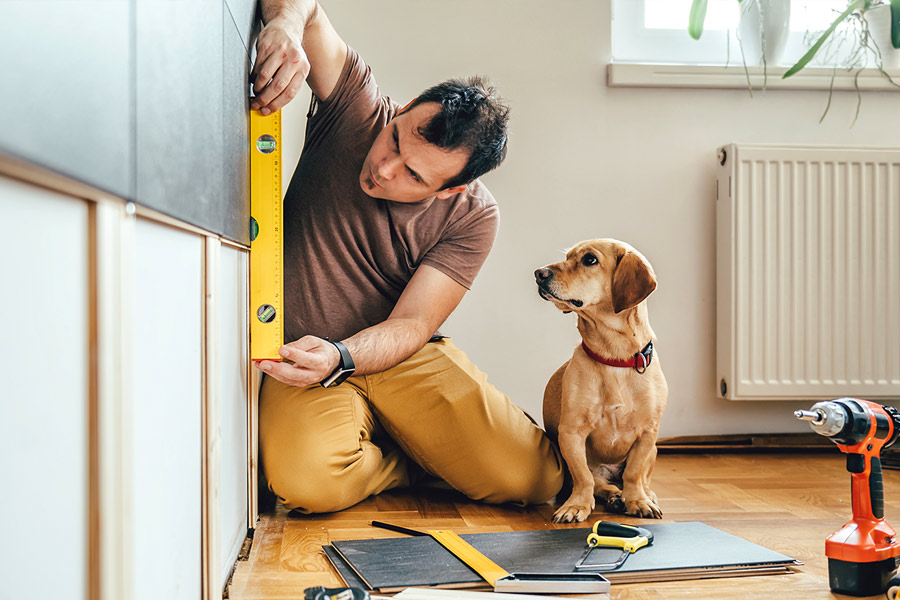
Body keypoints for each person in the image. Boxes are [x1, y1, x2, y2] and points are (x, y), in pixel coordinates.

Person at [250, 0, 563, 514]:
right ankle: (414, 459)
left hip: (398, 354)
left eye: (415, 176)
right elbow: (305, 7)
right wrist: (284, 22)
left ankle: (420, 448)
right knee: (307, 485)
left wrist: (345, 354)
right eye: (396, 139)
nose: (385, 168)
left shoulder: (474, 216)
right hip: (304, 357)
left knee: (535, 479)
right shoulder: (356, 108)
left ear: (450, 190)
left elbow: (414, 324)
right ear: (406, 107)